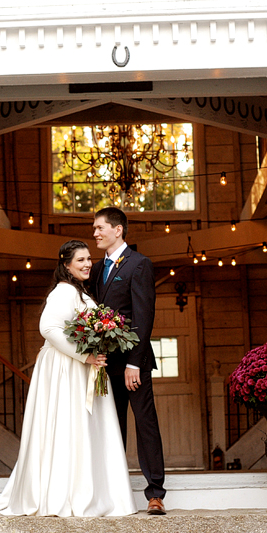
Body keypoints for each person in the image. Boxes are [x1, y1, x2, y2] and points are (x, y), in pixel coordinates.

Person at [0, 239, 137, 517]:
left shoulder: (79, 291)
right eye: (81, 260)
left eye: (89, 259)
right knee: (67, 427)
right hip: (65, 369)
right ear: (66, 264)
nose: (87, 264)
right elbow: (48, 328)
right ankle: (65, 493)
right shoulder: (63, 292)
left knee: (84, 428)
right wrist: (84, 357)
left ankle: (91, 493)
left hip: (83, 367)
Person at [90, 207, 167, 515]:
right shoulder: (96, 269)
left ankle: (156, 493)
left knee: (145, 423)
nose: (95, 233)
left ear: (118, 230)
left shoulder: (139, 264)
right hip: (105, 362)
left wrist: (134, 363)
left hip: (133, 362)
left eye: (99, 227)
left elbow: (143, 316)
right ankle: (115, 492)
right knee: (112, 424)